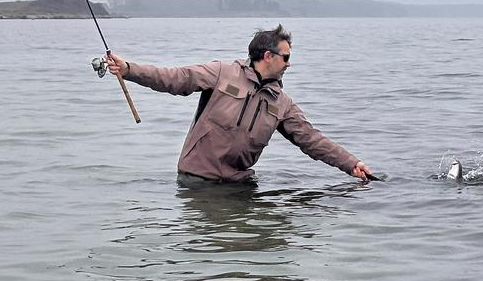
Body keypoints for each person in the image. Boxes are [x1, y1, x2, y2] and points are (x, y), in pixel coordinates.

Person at [106, 24, 372, 185]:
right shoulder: (221, 73)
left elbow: (313, 140)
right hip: (196, 182)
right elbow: (174, 78)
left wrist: (350, 164)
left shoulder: (282, 104)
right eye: (286, 57)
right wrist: (129, 69)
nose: (290, 63)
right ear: (268, 56)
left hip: (240, 187)